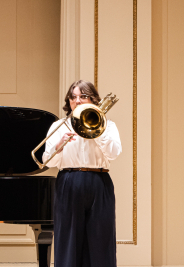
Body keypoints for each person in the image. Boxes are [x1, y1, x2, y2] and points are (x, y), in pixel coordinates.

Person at [43, 80, 122, 267]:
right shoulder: (59, 126)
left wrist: (97, 131)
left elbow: (114, 153)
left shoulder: (108, 125)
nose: (77, 101)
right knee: (68, 239)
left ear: (93, 100)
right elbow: (48, 161)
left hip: (99, 181)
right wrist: (59, 144)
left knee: (101, 238)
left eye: (83, 96)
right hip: (69, 181)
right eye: (73, 97)